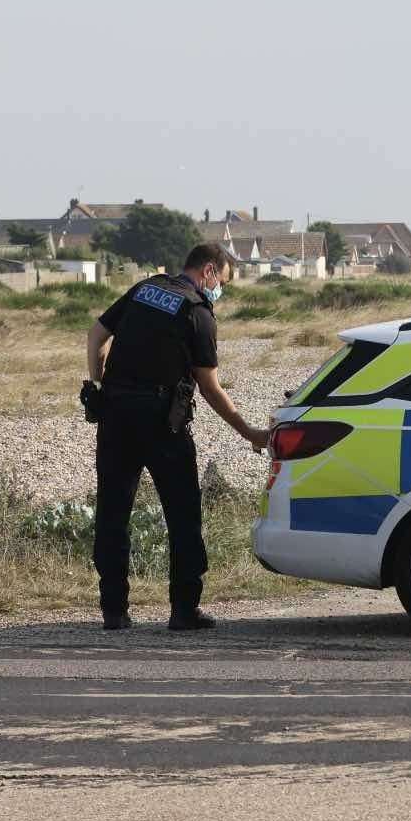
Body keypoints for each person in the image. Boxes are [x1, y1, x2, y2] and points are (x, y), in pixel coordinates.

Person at [83, 243, 270, 631]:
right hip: (162, 423)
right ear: (208, 271)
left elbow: (96, 334)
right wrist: (248, 431)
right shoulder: (197, 313)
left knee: (113, 513)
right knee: (183, 515)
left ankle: (114, 611)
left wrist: (102, 381)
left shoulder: (143, 289)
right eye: (223, 282)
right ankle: (184, 609)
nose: (221, 291)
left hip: (115, 416)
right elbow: (210, 388)